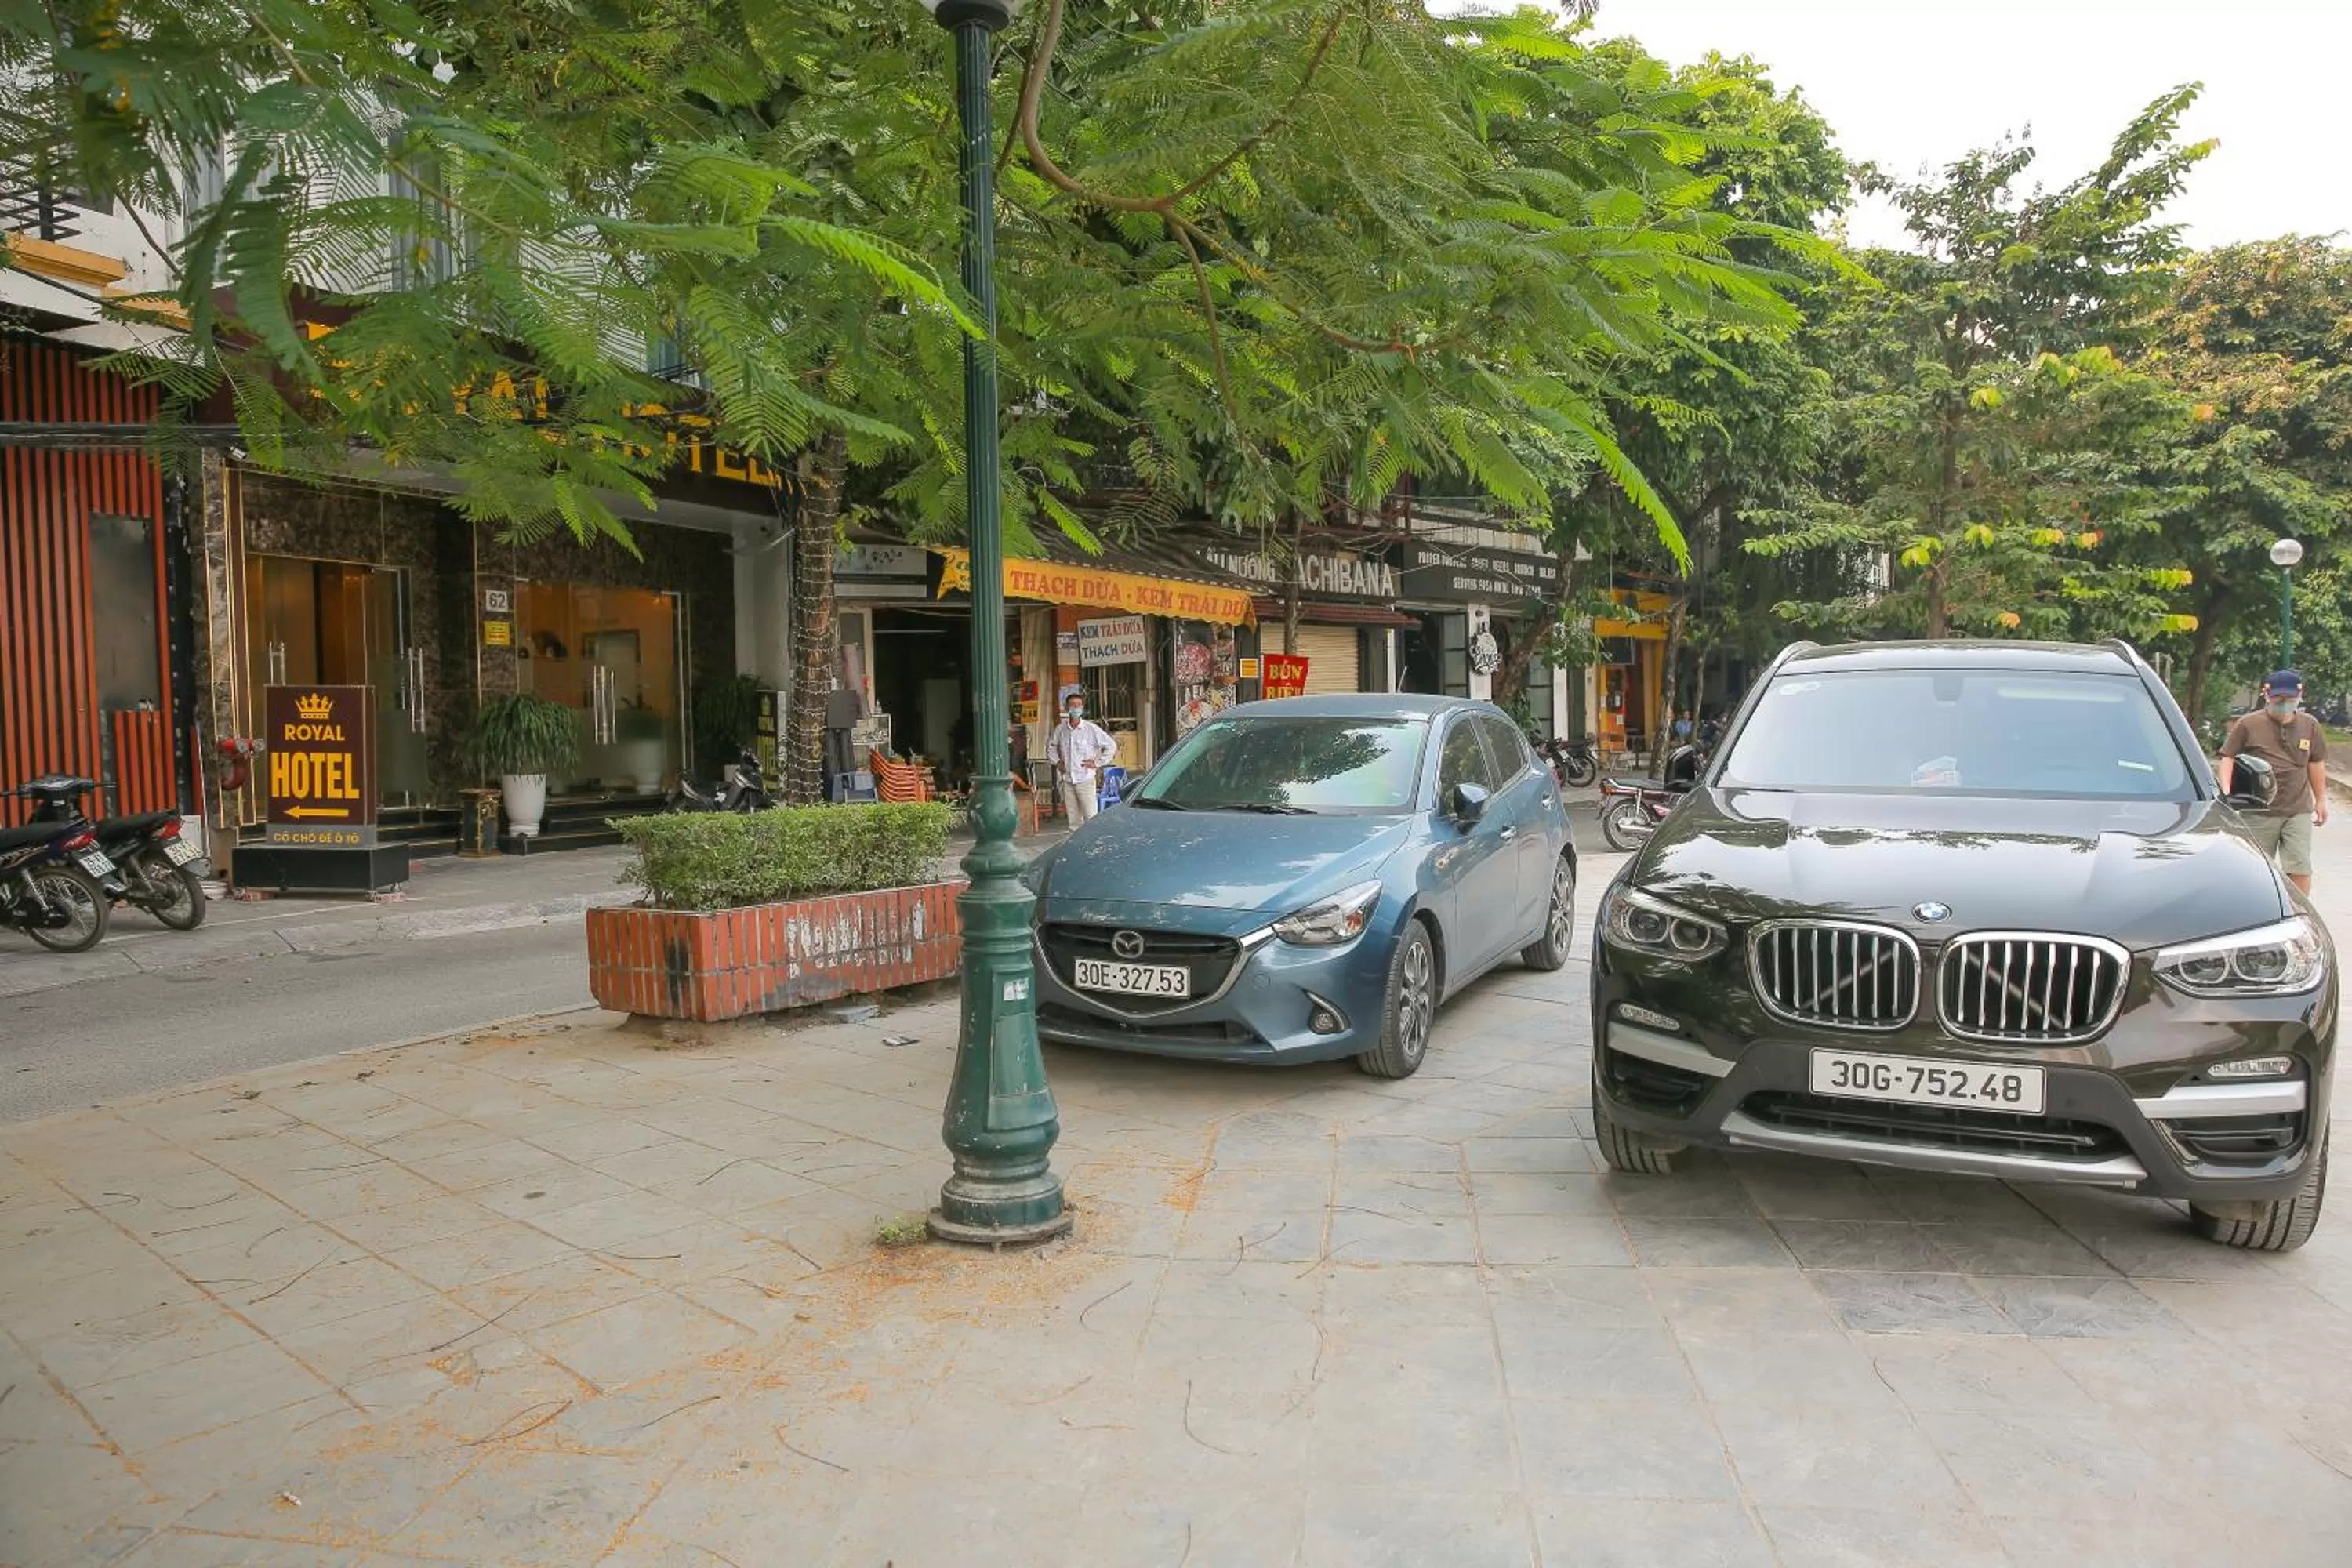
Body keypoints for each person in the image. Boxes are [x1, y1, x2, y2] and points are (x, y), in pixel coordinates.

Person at [2220, 670, 2330, 894]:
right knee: (2257, 867)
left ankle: (2298, 911)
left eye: (2289, 700)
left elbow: (2316, 763)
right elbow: (2227, 758)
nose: (2283, 704)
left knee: (2299, 867)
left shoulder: (2309, 724)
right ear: (2266, 696)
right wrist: (2226, 792)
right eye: (2278, 699)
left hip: (2297, 808)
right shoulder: (2249, 724)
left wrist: (2321, 800)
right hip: (2259, 810)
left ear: (2299, 697)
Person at [1046, 692, 1117, 824]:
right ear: (1066, 708)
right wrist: (1057, 762)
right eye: (1072, 705)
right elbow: (1051, 747)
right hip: (1068, 780)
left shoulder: (1091, 729)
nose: (1076, 708)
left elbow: (1111, 746)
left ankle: (1093, 844)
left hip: (1085, 780)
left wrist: (1097, 763)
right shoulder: (1061, 730)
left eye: (1079, 705)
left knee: (1091, 819)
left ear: (1083, 708)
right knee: (1073, 822)